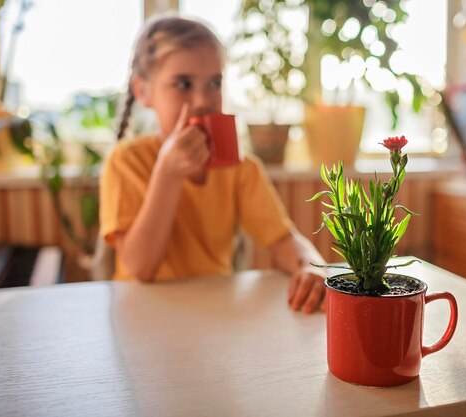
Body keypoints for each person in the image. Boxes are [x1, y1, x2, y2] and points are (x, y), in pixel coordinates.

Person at [99, 14, 327, 313]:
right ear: (143, 91)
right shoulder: (125, 161)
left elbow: (284, 240)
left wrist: (315, 268)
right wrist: (167, 173)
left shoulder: (241, 168)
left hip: (213, 312)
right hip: (141, 314)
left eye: (214, 83)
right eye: (183, 84)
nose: (203, 100)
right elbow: (141, 268)